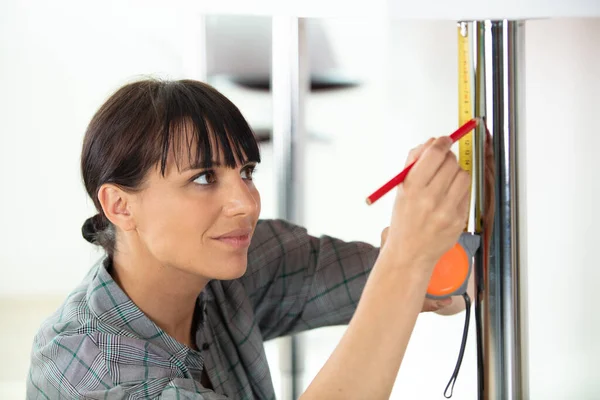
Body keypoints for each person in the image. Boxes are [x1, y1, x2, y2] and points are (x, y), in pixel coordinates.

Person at [27, 78, 476, 400]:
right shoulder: (91, 371)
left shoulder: (238, 260)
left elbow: (444, 287)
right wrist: (407, 260)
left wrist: (427, 256)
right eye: (204, 177)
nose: (245, 202)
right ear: (120, 206)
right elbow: (402, 274)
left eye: (245, 172)